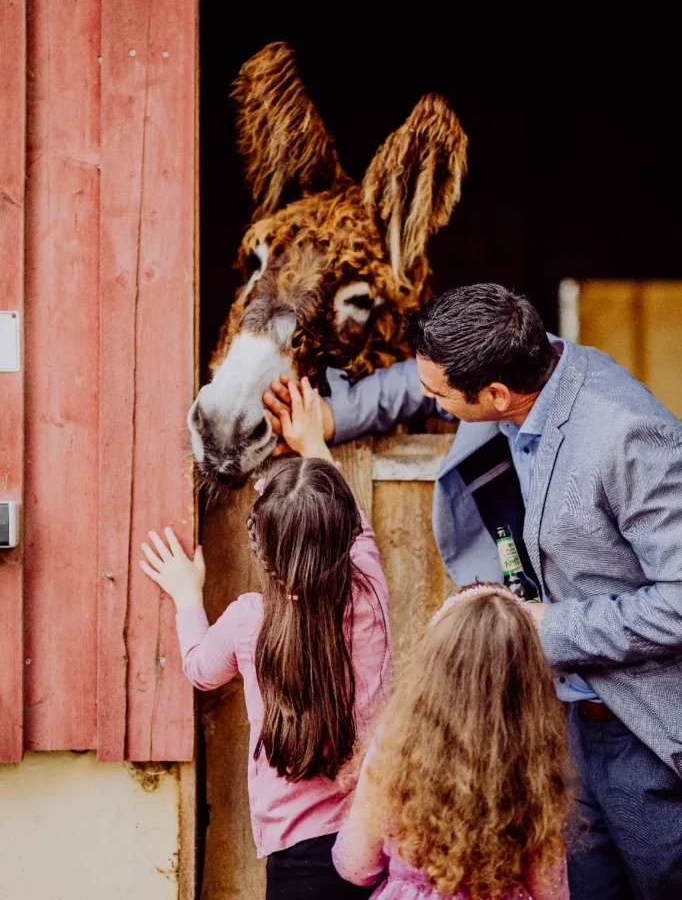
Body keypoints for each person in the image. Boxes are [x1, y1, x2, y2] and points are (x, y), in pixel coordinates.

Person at [264, 282, 682, 900]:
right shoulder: (528, 365)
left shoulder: (629, 437)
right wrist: (332, 416)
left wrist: (549, 629)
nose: (427, 401)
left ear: (493, 395)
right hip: (558, 720)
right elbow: (419, 380)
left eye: (440, 397)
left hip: (636, 730)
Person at [140, 378, 391, 900]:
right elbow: (356, 530)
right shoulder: (368, 592)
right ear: (344, 534)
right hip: (375, 840)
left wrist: (188, 595)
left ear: (264, 550)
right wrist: (314, 447)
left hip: (295, 854)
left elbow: (200, 670)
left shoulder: (248, 619)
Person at [332, 583, 571, 900]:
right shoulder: (534, 761)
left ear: (433, 662)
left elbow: (356, 865)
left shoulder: (396, 739)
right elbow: (551, 891)